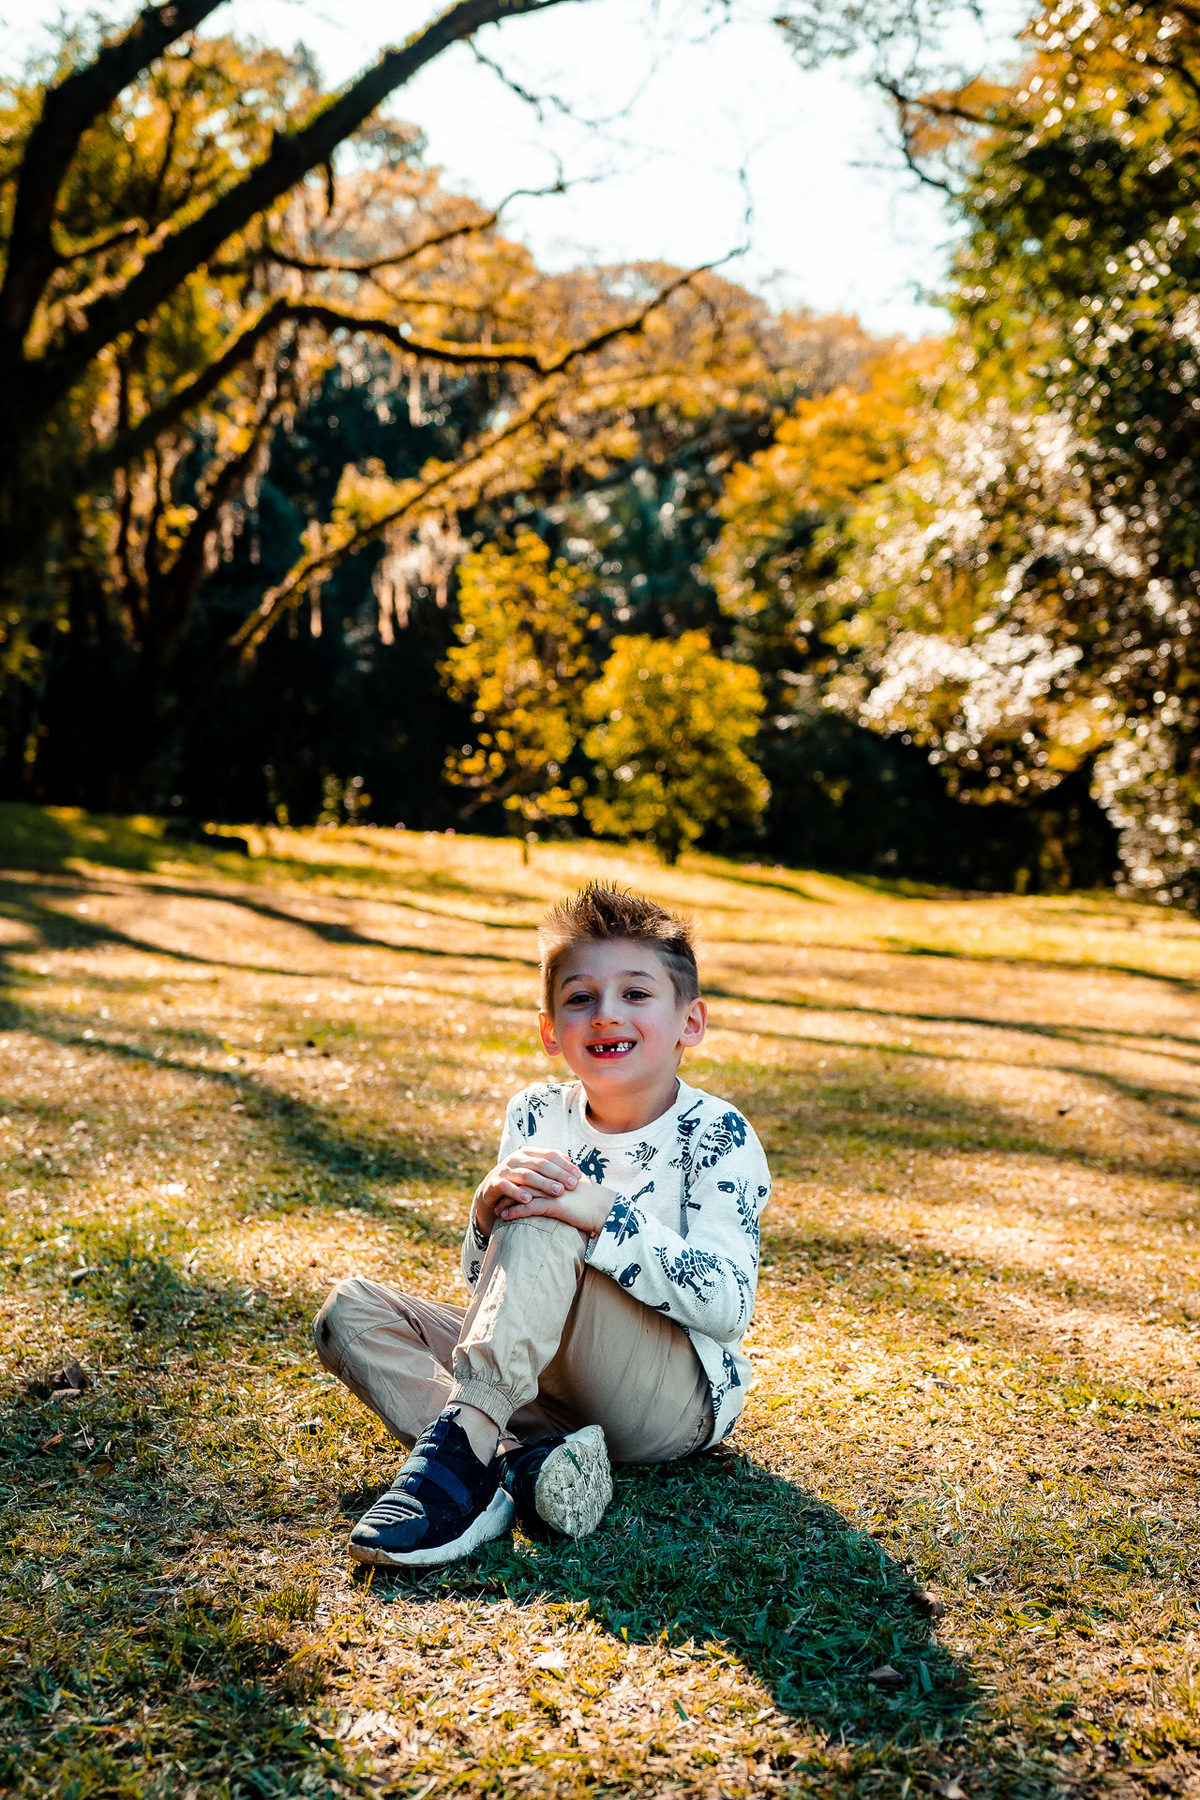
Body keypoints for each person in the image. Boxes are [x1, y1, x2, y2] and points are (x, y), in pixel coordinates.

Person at [313, 882, 772, 1568]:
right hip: (541, 1385)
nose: (605, 1013)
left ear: (691, 1022)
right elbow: (492, 1289)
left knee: (552, 1215)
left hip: (669, 1400)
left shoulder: (716, 1133)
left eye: (636, 993)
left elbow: (729, 1306)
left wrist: (602, 1216)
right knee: (350, 1312)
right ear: (550, 1030)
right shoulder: (534, 1113)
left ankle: (460, 1467)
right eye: (580, 998)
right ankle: (515, 1465)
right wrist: (483, 1216)